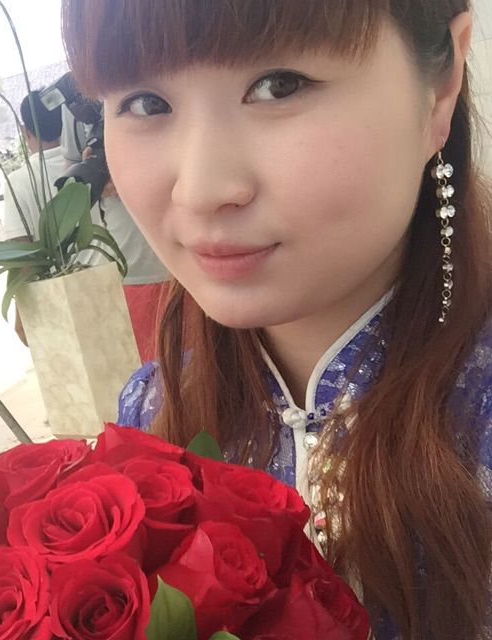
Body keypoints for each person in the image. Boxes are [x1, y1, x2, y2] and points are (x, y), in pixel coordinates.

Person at [61, 1, 492, 639]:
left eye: (278, 85)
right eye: (146, 103)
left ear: (442, 85)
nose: (200, 190)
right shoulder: (151, 413)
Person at [60, 105, 168, 362]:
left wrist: (134, 171)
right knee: (145, 371)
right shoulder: (71, 99)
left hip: (180, 257)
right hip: (128, 267)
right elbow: (72, 170)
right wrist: (96, 171)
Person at [2, 90, 69, 344]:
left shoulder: (19, 181)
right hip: (117, 281)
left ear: (26, 131)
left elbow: (22, 252)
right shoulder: (94, 162)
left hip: (55, 295)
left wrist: (23, 313)